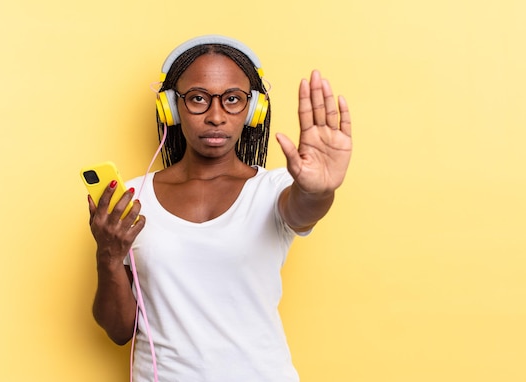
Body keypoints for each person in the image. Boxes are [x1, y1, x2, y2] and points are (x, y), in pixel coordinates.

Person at [86, 35, 352, 381]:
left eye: (232, 100)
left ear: (253, 110)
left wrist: (319, 190)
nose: (215, 116)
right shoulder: (132, 197)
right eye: (198, 99)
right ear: (171, 107)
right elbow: (120, 331)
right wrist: (107, 254)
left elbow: (303, 208)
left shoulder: (273, 190)